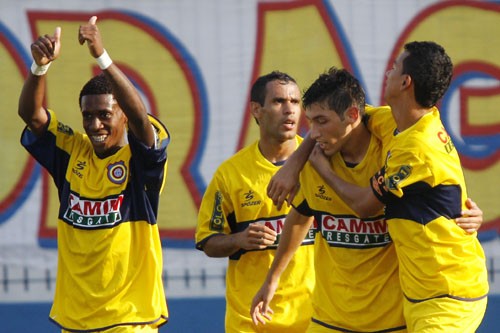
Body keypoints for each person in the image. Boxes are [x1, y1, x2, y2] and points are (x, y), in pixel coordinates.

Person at [266, 42, 488, 331]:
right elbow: (335, 113)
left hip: (449, 292)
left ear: (405, 82)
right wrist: (297, 160)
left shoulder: (415, 148)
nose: (387, 71)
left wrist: (321, 168)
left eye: (395, 66)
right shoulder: (389, 122)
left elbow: (364, 206)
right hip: (413, 297)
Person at [18, 16, 170, 332]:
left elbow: (142, 122)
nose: (95, 124)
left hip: (130, 318)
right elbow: (32, 117)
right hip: (75, 320)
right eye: (88, 116)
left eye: (104, 115)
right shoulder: (72, 152)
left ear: (123, 117)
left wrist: (102, 57)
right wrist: (39, 68)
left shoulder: (141, 160)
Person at [195, 71, 315, 332]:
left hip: (312, 319)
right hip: (249, 321)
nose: (289, 110)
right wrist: (239, 240)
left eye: (295, 102)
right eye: (279, 102)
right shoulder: (231, 173)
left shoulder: (319, 164)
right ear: (257, 110)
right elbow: (207, 241)